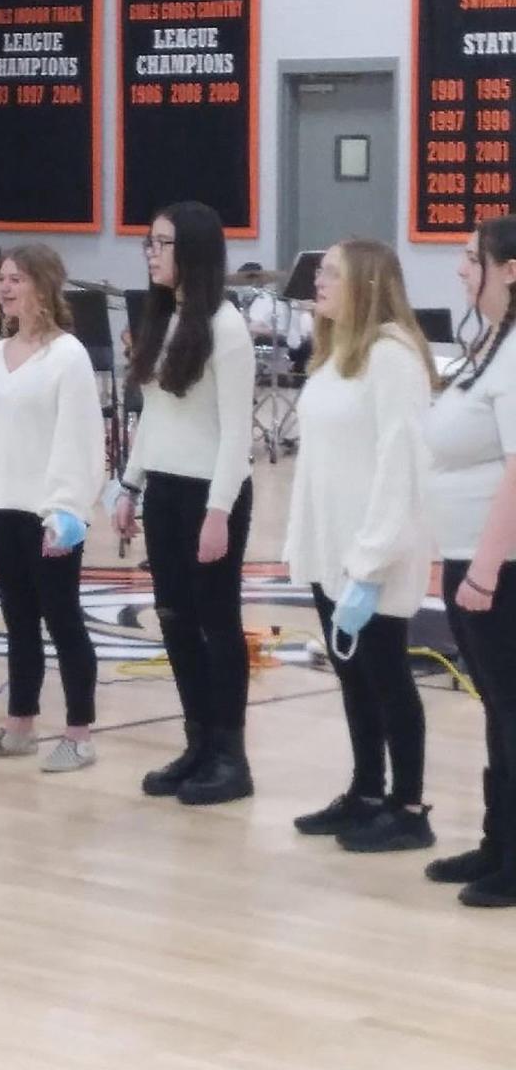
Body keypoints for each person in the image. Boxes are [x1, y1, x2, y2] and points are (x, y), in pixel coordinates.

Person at [285, 238, 437, 852]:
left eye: (330, 272)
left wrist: (370, 561)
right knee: (352, 675)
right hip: (334, 551)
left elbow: (400, 466)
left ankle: (409, 806)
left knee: (387, 674)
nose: (317, 281)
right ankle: (367, 790)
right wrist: (312, 546)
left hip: (375, 555)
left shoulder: (393, 357)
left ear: (368, 285)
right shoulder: (336, 356)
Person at [114, 201, 256, 805]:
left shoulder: (226, 327)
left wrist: (219, 511)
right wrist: (129, 484)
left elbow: (235, 433)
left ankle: (230, 755)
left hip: (210, 494)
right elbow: (157, 418)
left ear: (192, 252)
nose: (151, 252)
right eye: (150, 241)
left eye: (163, 242)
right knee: (173, 619)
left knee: (216, 624)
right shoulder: (162, 319)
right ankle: (197, 741)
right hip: (166, 490)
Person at [0, 244, 104, 772]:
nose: (6, 287)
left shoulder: (68, 356)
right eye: (3, 279)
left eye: (17, 279)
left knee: (63, 622)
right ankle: (19, 726)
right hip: (2, 509)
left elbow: (80, 439)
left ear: (43, 286)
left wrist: (65, 510)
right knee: (18, 624)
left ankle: (79, 734)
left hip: (49, 517)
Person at [424, 215, 516, 906]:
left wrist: (485, 567)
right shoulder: (490, 341)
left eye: (470, 257)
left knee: (511, 710)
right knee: (495, 709)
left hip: (500, 566)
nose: (460, 269)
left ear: (508, 269)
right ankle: (498, 841)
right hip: (470, 558)